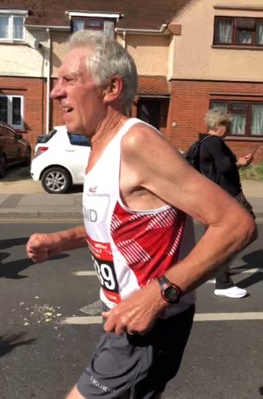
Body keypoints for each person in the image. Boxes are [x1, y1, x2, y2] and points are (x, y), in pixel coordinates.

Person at [26, 30, 256, 399]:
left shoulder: (135, 142)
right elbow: (124, 223)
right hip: (123, 321)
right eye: (56, 81)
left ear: (111, 88)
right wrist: (62, 240)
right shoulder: (101, 146)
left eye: (69, 80)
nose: (56, 92)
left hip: (149, 328)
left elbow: (236, 224)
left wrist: (157, 295)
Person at [199, 108, 256, 299]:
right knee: (236, 233)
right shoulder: (215, 142)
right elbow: (226, 168)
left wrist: (237, 163)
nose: (229, 130)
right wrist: (239, 162)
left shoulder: (203, 142)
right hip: (226, 196)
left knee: (214, 235)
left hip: (211, 195)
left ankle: (210, 271)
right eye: (227, 126)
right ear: (218, 126)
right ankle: (223, 283)